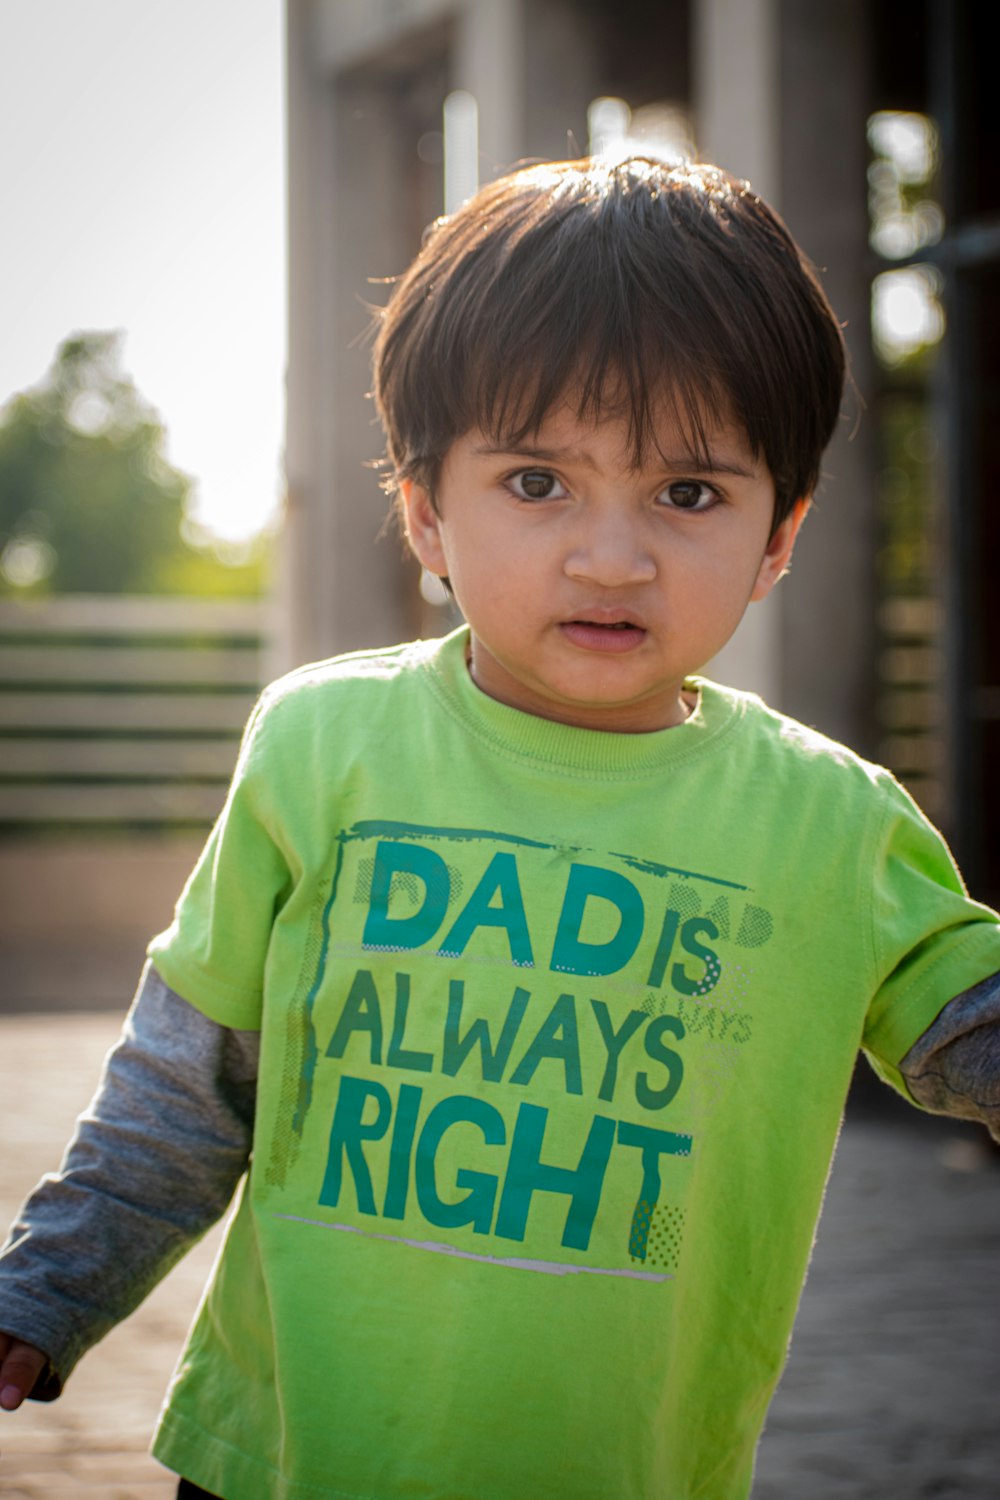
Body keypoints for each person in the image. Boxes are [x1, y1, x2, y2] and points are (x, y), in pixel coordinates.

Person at [1, 155, 998, 1500]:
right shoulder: (322, 748)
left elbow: (972, 1027)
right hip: (281, 1466)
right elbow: (185, 1092)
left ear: (779, 535)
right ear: (426, 510)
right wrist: (43, 1295)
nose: (609, 556)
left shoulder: (829, 824)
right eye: (537, 482)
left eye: (689, 494)